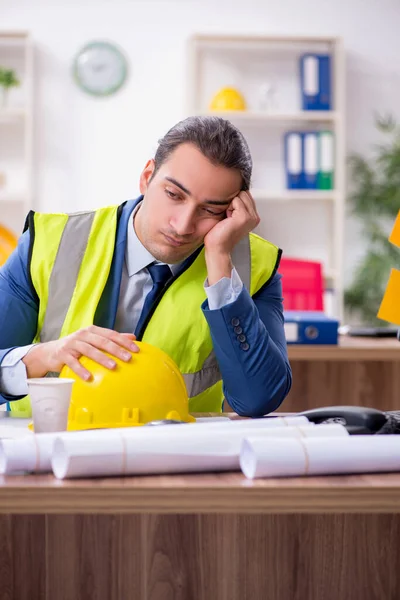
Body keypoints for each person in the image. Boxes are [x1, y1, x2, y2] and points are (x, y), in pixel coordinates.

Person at [0, 116, 292, 417]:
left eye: (210, 210)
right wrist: (44, 356)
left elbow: (258, 399)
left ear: (232, 211)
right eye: (173, 195)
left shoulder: (253, 268)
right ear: (147, 176)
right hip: (47, 447)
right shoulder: (49, 243)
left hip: (176, 455)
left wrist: (220, 262)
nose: (182, 225)